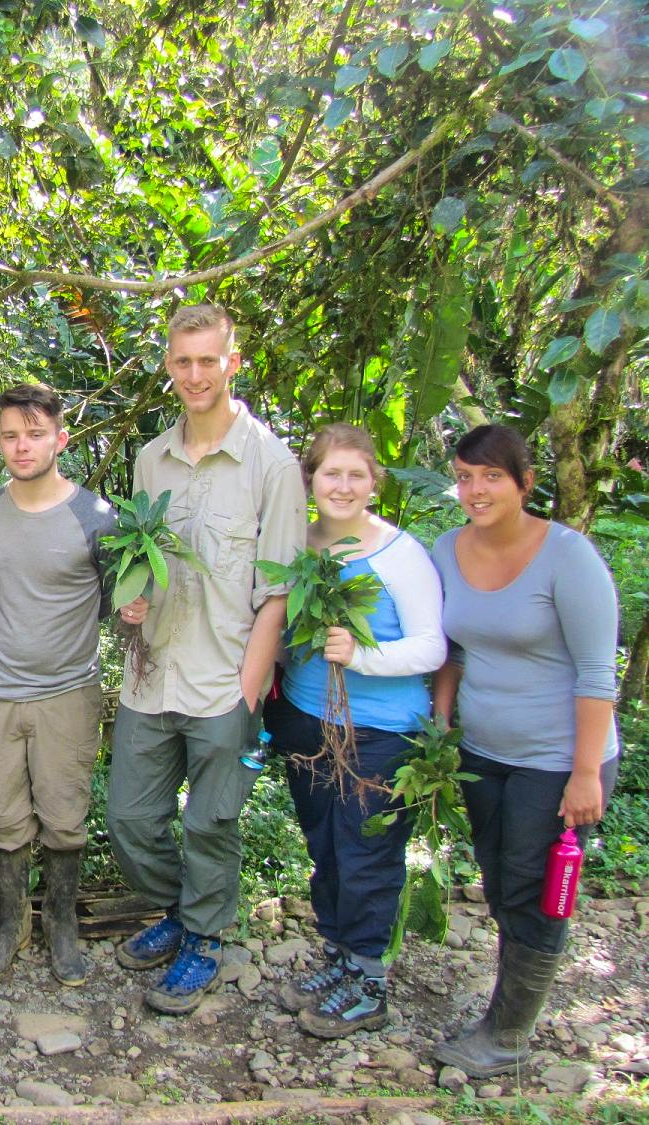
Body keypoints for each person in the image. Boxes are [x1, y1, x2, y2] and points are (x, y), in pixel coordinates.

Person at [106, 303, 305, 1015]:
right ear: (169, 364)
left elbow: (278, 593)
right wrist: (130, 601)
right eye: (182, 361)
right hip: (152, 674)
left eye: (208, 361)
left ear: (232, 363)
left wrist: (248, 691)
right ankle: (179, 908)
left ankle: (205, 937)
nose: (195, 375)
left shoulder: (272, 465)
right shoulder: (150, 459)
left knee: (210, 823)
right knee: (129, 819)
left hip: (225, 678)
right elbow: (140, 558)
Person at [429, 424, 620, 1079]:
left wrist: (586, 772)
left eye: (491, 476)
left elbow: (598, 672)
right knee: (500, 879)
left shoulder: (568, 556)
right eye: (465, 477)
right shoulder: (449, 548)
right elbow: (452, 650)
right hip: (484, 751)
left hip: (559, 758)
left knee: (534, 886)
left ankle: (508, 1035)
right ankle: (504, 1011)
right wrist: (440, 722)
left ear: (525, 482)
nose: (475, 490)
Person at [263, 424, 446, 1036]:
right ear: (310, 479)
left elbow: (432, 646)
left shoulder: (399, 554)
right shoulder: (298, 544)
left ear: (374, 483)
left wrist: (362, 655)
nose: (342, 486)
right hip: (307, 722)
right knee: (326, 849)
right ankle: (338, 958)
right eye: (331, 473)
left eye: (356, 475)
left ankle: (369, 982)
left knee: (367, 855)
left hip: (380, 734)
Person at [0, 383, 115, 985]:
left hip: (67, 692)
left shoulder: (97, 518)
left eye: (34, 434)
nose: (21, 446)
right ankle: (11, 923)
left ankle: (61, 923)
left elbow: (108, 602)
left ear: (60, 439)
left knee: (64, 811)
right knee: (0, 809)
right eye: (10, 435)